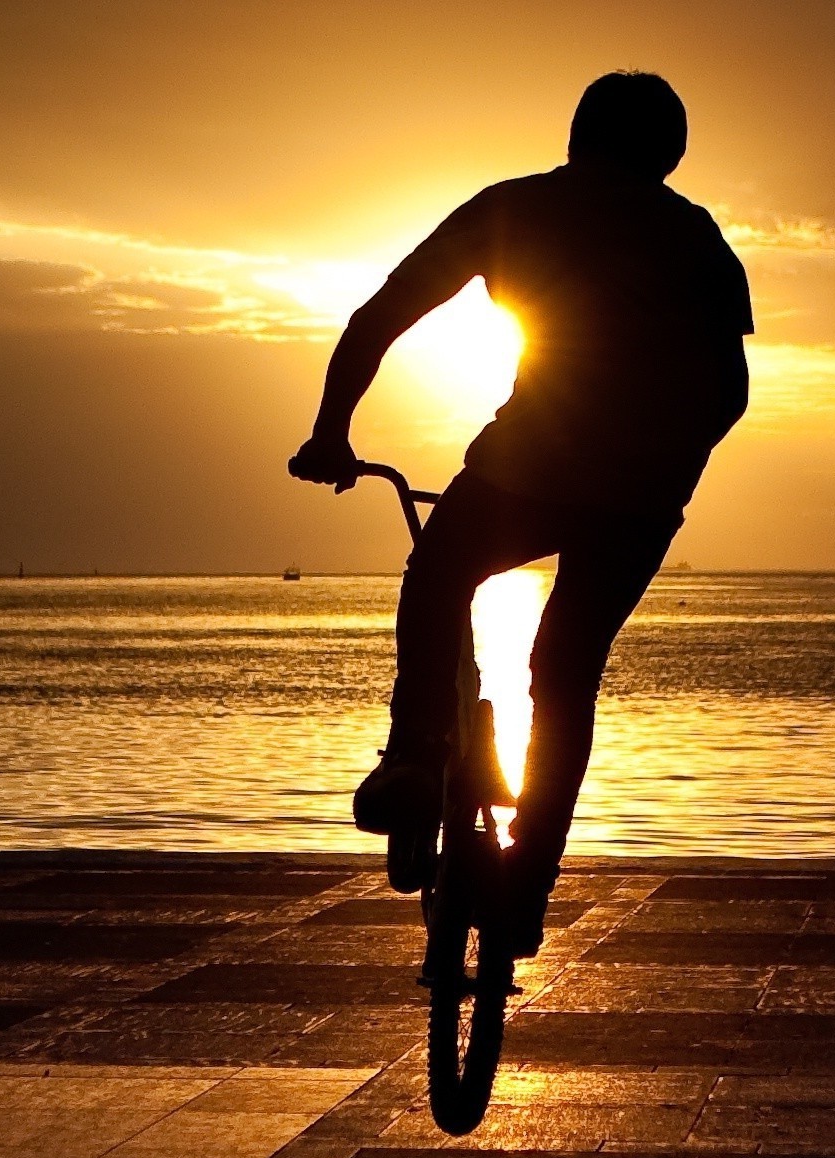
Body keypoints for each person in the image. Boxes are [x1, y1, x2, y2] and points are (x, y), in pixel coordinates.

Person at [288, 71, 752, 957]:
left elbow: (380, 315)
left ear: (577, 136)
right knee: (566, 670)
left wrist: (329, 434)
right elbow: (728, 391)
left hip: (526, 467)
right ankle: (528, 887)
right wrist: (669, 470)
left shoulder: (513, 208)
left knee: (438, 573)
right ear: (671, 154)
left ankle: (419, 751)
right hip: (644, 494)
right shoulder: (695, 234)